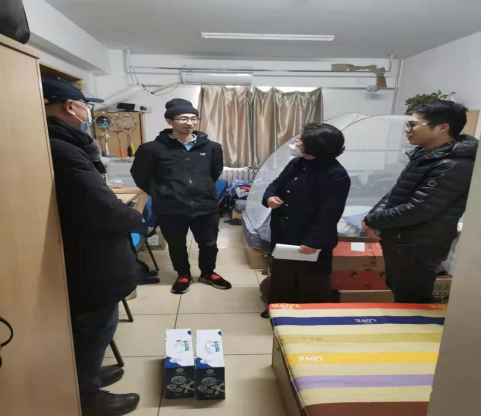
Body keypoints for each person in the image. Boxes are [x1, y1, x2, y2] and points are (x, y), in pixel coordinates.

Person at [42, 78, 141, 416]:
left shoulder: (63, 142)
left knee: (96, 323)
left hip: (86, 247)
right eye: (87, 106)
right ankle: (86, 396)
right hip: (88, 255)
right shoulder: (62, 149)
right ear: (71, 107)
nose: (89, 113)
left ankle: (86, 374)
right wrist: (133, 217)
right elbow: (100, 208)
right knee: (95, 325)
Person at [363, 100, 479, 304]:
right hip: (403, 239)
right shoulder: (425, 154)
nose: (407, 130)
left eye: (414, 124)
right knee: (400, 290)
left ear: (442, 128)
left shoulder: (454, 164)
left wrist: (373, 221)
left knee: (413, 299)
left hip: (419, 244)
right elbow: (396, 192)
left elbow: (419, 209)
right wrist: (372, 217)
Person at [131, 99, 232, 294]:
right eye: (183, 118)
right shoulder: (151, 149)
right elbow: (140, 176)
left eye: (194, 118)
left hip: (205, 206)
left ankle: (208, 273)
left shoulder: (212, 147)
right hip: (170, 207)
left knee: (209, 244)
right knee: (177, 245)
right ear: (169, 121)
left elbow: (214, 173)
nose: (190, 123)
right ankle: (183, 274)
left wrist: (202, 188)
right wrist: (162, 193)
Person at [262, 123, 351, 315]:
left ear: (314, 146)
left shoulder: (336, 175)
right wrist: (269, 197)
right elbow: (276, 183)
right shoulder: (297, 163)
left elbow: (330, 213)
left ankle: (308, 317)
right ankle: (278, 311)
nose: (296, 142)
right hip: (284, 232)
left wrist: (314, 241)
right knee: (282, 276)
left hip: (309, 238)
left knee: (311, 280)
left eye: (300, 140)